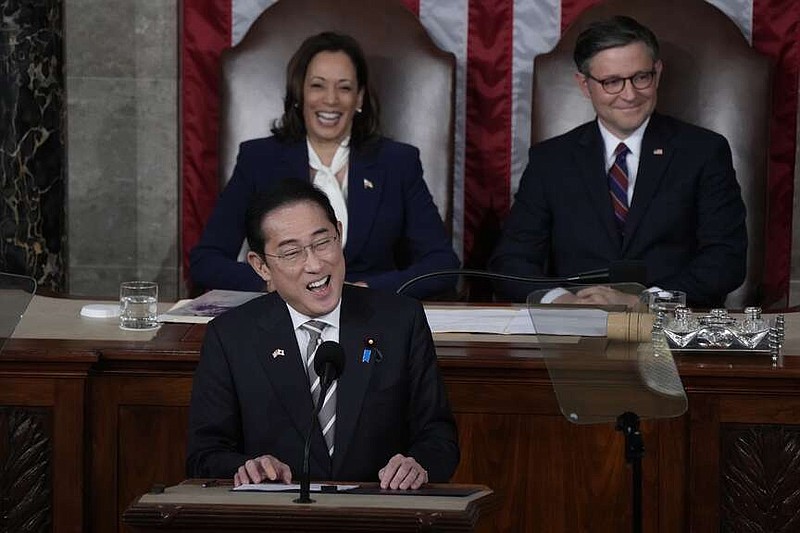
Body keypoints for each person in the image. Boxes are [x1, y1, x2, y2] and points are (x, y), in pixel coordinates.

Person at [186, 179, 459, 489]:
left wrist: (418, 465)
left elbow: (438, 436)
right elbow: (204, 454)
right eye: (291, 253)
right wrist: (245, 468)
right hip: (278, 515)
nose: (314, 264)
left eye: (322, 242)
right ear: (261, 267)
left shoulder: (400, 320)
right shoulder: (231, 336)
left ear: (339, 234)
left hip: (379, 512)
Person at [489, 15, 747, 308]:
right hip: (575, 330)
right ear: (585, 86)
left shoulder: (703, 151)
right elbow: (511, 260)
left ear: (657, 73)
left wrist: (646, 303)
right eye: (612, 81)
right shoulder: (550, 160)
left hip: (671, 329)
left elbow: (726, 259)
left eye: (641, 77)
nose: (630, 94)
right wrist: (562, 301)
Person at [189, 31, 459, 299]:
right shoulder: (258, 159)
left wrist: (368, 290)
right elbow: (206, 261)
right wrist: (277, 282)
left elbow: (441, 263)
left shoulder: (397, 162)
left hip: (371, 316)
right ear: (300, 93)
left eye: (344, 87)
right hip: (283, 316)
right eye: (318, 85)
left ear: (359, 98)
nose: (330, 99)